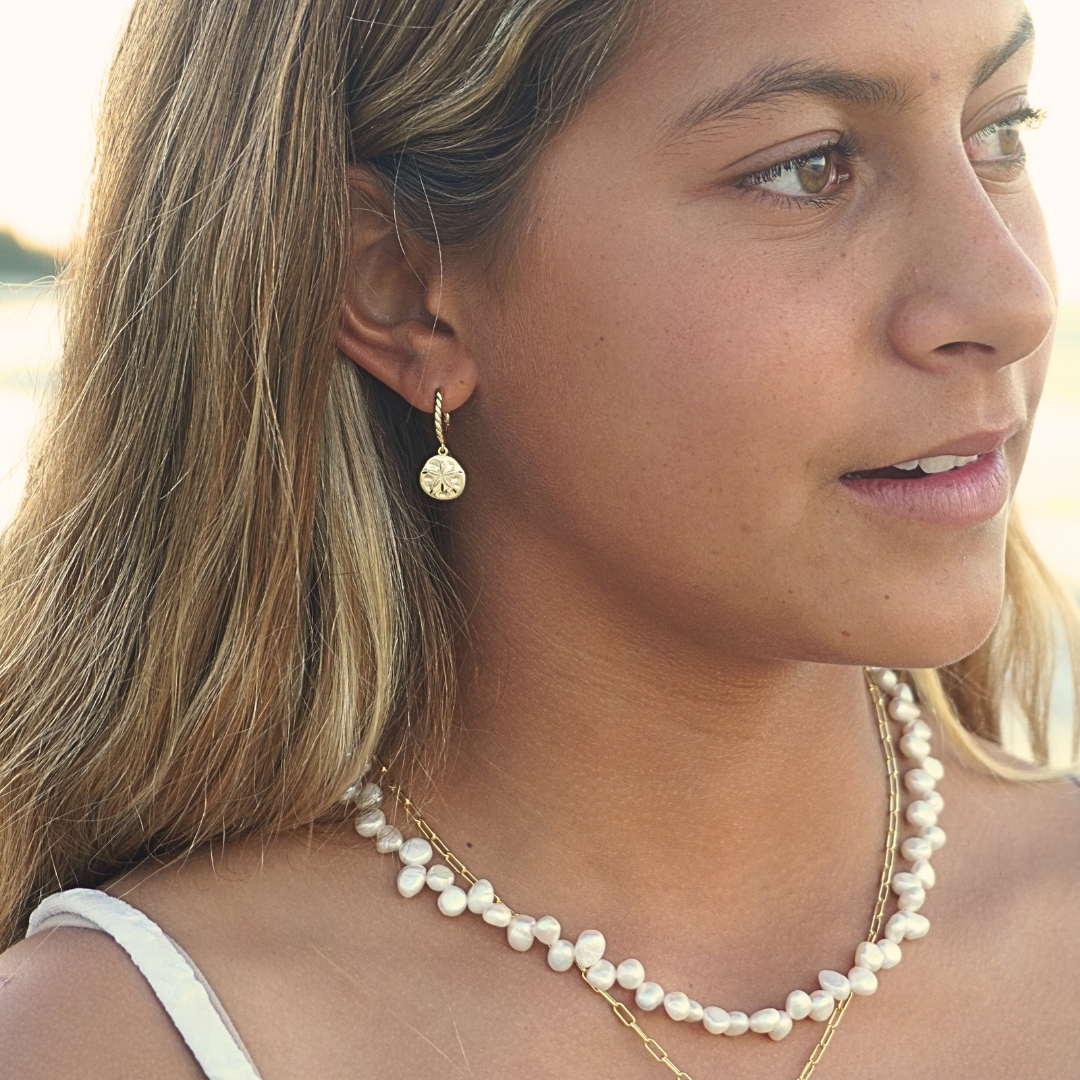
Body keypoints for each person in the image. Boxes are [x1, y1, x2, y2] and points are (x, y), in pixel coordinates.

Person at [0, 0, 1077, 1076]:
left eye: (1002, 130)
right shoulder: (119, 1041)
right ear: (402, 290)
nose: (1012, 296)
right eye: (808, 166)